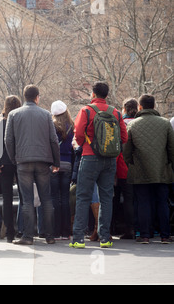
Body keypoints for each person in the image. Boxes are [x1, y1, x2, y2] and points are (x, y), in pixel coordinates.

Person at [70, 82, 128, 249]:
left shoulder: (86, 110)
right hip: (110, 160)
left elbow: (79, 134)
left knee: (83, 196)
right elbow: (123, 138)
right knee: (106, 198)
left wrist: (85, 144)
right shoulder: (115, 112)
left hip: (89, 157)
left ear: (93, 94)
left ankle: (78, 239)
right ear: (107, 95)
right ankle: (105, 238)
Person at [5, 85, 60, 245]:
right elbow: (53, 140)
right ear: (37, 97)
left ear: (24, 97)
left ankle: (28, 236)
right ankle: (49, 236)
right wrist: (55, 162)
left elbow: (8, 140)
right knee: (46, 199)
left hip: (23, 161)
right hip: (43, 161)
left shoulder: (14, 114)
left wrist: (14, 158)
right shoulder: (45, 115)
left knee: (27, 200)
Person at [123, 94, 174, 244]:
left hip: (140, 170)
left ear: (140, 106)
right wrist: (170, 165)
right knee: (162, 202)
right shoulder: (165, 124)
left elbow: (127, 150)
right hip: (162, 170)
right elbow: (172, 149)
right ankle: (165, 235)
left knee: (143, 202)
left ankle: (144, 235)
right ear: (154, 106)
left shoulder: (132, 125)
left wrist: (131, 163)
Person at [0, 95, 22, 243]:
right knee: (24, 197)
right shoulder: (21, 120)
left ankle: (10, 232)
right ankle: (23, 230)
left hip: (4, 163)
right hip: (21, 162)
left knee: (7, 198)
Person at [113, 98, 138, 239]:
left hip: (121, 166)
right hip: (137, 167)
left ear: (124, 108)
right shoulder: (139, 123)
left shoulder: (120, 123)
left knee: (116, 198)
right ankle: (133, 228)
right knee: (132, 199)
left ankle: (117, 227)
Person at [50, 100, 74, 240]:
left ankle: (56, 231)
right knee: (65, 198)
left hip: (53, 164)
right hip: (67, 164)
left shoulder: (51, 126)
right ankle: (66, 232)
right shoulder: (71, 126)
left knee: (54, 198)